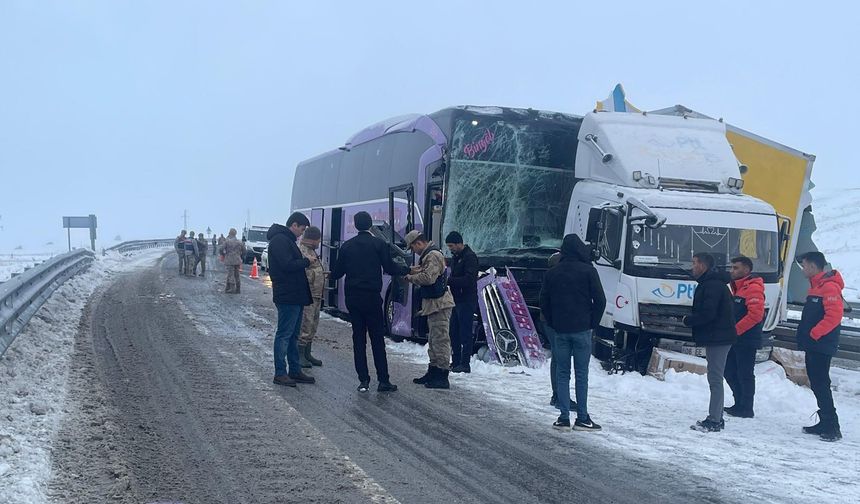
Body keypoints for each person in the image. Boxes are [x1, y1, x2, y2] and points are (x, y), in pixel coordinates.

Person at [330, 211, 407, 393]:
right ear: (370, 224)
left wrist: (330, 273)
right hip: (372, 298)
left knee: (359, 339)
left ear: (356, 225)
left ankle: (363, 380)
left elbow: (338, 272)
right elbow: (390, 267)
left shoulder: (347, 246)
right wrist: (406, 269)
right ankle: (383, 380)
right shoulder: (378, 244)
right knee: (377, 339)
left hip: (353, 299)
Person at [540, 234, 605, 432]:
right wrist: (592, 322)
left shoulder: (552, 273)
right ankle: (583, 418)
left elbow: (544, 302)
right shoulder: (589, 271)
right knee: (581, 374)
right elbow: (600, 300)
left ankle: (563, 417)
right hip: (582, 329)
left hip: (560, 329)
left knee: (562, 372)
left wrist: (553, 322)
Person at [683, 252, 737, 433]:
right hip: (718, 336)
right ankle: (716, 417)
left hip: (718, 338)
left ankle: (714, 420)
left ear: (703, 266)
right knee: (715, 377)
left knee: (715, 378)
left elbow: (708, 313)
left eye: (694, 263)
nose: (692, 267)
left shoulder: (712, 286)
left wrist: (688, 320)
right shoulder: (713, 284)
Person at [797, 251, 844, 442]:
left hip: (821, 344)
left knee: (821, 383)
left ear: (813, 267)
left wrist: (814, 334)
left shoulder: (829, 287)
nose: (803, 269)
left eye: (805, 265)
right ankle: (825, 421)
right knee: (817, 383)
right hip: (815, 344)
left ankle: (832, 426)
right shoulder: (817, 286)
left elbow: (834, 316)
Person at [267, 213, 316, 387]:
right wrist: (306, 261)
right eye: (301, 230)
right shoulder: (280, 241)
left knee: (293, 335)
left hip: (294, 294)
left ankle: (294, 370)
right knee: (284, 334)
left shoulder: (286, 240)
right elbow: (287, 265)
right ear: (294, 225)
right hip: (287, 294)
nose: (301, 234)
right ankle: (280, 373)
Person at [404, 230, 455, 390]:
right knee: (433, 340)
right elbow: (424, 270)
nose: (414, 251)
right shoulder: (429, 255)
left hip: (439, 304)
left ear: (418, 243)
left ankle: (442, 376)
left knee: (440, 340)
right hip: (434, 304)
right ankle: (433, 371)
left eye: (413, 248)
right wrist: (411, 270)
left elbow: (428, 278)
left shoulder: (432, 255)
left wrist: (409, 277)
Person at [724, 256, 764, 418]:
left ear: (746, 270)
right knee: (730, 370)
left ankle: (746, 407)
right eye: (731, 267)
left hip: (746, 339)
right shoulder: (738, 287)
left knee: (745, 373)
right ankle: (739, 402)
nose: (732, 271)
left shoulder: (753, 288)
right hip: (736, 338)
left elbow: (755, 315)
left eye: (736, 268)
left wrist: (735, 330)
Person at [445, 231, 479, 374]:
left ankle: (465, 363)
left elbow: (469, 280)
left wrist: (450, 281)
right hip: (456, 300)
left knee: (465, 333)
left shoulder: (470, 258)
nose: (450, 249)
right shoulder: (456, 257)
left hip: (466, 300)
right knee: (454, 332)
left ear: (459, 243)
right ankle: (456, 360)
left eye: (452, 246)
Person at [298, 226, 325, 368]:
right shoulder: (303, 251)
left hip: (316, 294)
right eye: (318, 239)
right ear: (312, 239)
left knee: (313, 324)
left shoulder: (312, 251)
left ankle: (307, 352)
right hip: (308, 295)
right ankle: (300, 353)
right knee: (306, 324)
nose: (319, 242)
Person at [222, 229, 246, 293]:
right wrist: (241, 256)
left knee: (230, 274)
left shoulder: (227, 241)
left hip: (229, 260)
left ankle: (232, 288)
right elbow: (244, 251)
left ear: (230, 233)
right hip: (237, 260)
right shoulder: (239, 242)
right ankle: (238, 289)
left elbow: (221, 249)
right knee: (237, 274)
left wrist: (224, 254)